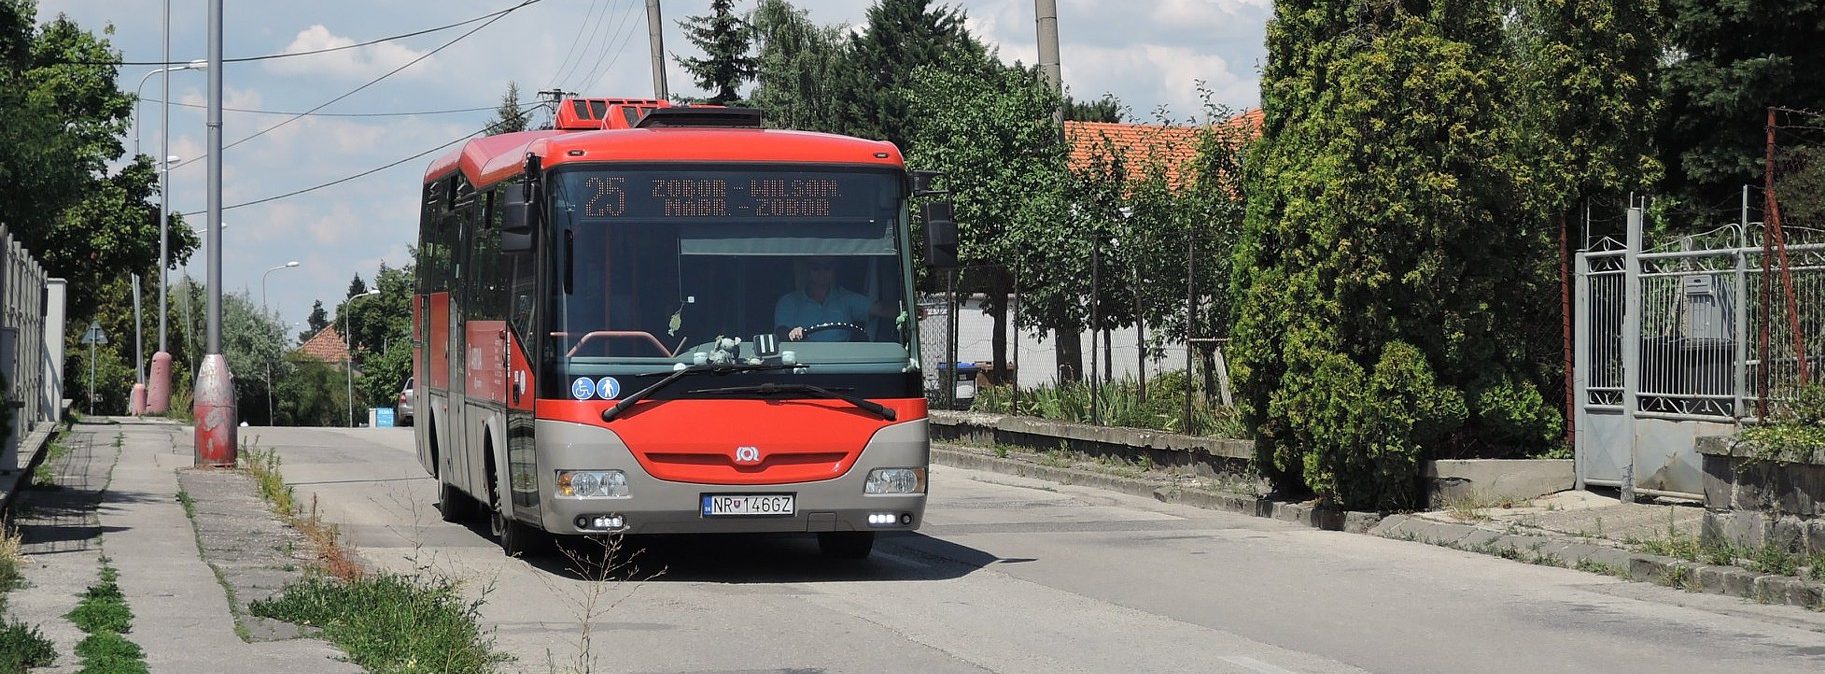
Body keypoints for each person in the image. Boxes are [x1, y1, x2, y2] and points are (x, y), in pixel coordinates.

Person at [775, 256, 891, 341]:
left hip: (841, 364)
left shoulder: (846, 299)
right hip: (803, 365)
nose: (822, 272)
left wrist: (905, 313)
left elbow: (880, 309)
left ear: (835, 269)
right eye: (815, 268)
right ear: (807, 270)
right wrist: (792, 333)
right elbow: (781, 332)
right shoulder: (788, 301)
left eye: (827, 267)